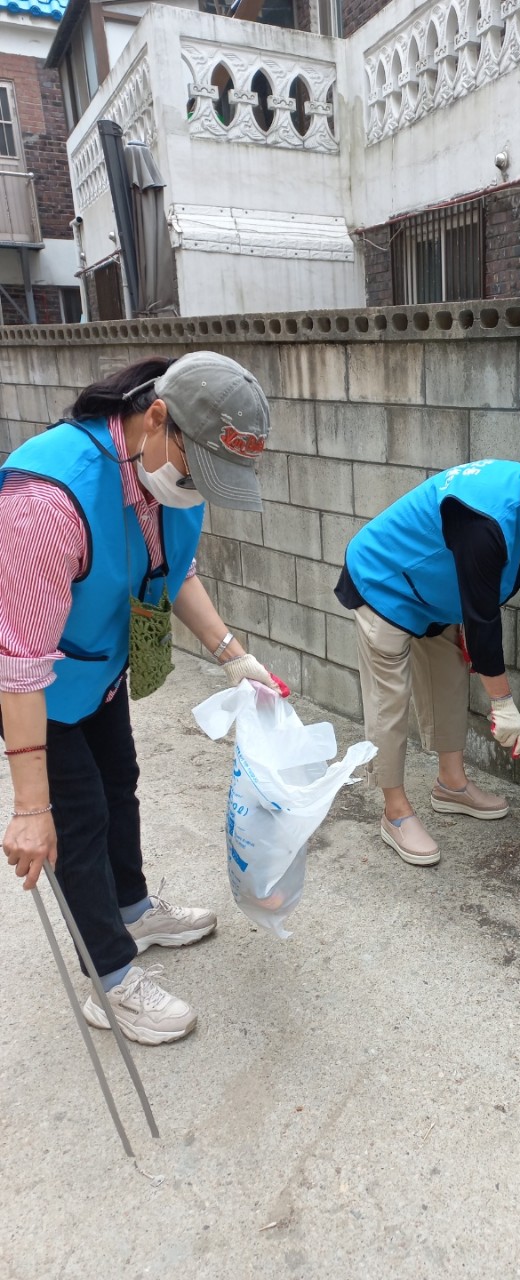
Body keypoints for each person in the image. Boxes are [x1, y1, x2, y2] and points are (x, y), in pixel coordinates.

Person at [0, 351, 284, 1045]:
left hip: (98, 670)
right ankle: (111, 976)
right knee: (78, 822)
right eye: (197, 467)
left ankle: (132, 907)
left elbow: (173, 571)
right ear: (156, 419)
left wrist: (232, 655)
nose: (197, 486)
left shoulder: (167, 484)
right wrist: (31, 808)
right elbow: (17, 666)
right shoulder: (47, 499)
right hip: (36, 688)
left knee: (120, 784)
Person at [335, 438, 520, 866]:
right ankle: (394, 812)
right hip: (386, 583)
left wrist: (479, 646)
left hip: (436, 594)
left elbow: (482, 597)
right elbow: (484, 617)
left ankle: (451, 785)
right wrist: (503, 703)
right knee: (388, 700)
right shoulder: (485, 520)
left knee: (449, 677)